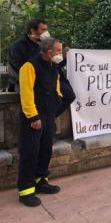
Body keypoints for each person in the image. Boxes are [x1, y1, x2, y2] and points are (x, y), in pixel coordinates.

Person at [17, 38, 63, 207]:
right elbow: (26, 94)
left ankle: (41, 181)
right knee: (30, 152)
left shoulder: (53, 66)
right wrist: (33, 117)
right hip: (34, 118)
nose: (60, 53)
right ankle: (26, 191)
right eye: (58, 50)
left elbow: (55, 86)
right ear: (49, 52)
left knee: (45, 150)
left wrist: (57, 100)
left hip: (48, 115)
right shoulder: (29, 66)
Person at [8, 19, 75, 118]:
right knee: (43, 96)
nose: (46, 32)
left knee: (69, 95)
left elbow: (55, 65)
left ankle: (48, 117)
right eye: (43, 29)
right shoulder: (17, 46)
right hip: (31, 79)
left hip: (50, 77)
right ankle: (38, 119)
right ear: (33, 31)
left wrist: (63, 57)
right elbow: (20, 68)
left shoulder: (48, 44)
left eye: (46, 29)